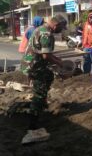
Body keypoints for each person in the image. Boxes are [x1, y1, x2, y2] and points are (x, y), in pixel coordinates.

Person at [21, 14, 67, 144]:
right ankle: (33, 124)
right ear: (56, 25)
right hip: (35, 66)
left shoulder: (40, 29)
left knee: (49, 76)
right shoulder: (47, 34)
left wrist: (56, 61)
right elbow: (46, 55)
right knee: (39, 93)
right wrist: (60, 63)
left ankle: (42, 104)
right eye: (61, 28)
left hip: (30, 63)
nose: (61, 31)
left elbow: (43, 53)